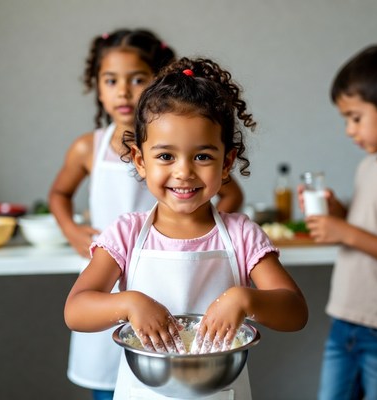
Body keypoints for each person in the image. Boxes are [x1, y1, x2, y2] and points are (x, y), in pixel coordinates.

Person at [64, 57, 309, 400]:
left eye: (202, 157)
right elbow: (76, 311)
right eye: (165, 156)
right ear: (140, 160)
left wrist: (244, 297)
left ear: (227, 163)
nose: (184, 172)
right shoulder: (126, 234)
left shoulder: (241, 234)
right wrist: (129, 303)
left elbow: (295, 312)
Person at [50, 29, 244, 400]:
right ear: (140, 161)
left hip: (190, 328)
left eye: (137, 79)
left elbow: (231, 194)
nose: (123, 91)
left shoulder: (184, 140)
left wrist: (216, 234)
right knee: (115, 379)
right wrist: (73, 230)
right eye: (111, 80)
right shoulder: (90, 153)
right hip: (113, 277)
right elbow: (77, 308)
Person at [298, 44, 377, 400]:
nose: (349, 130)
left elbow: (365, 238)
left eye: (355, 117)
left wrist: (346, 232)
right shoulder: (369, 166)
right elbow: (369, 223)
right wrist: (336, 212)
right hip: (345, 319)